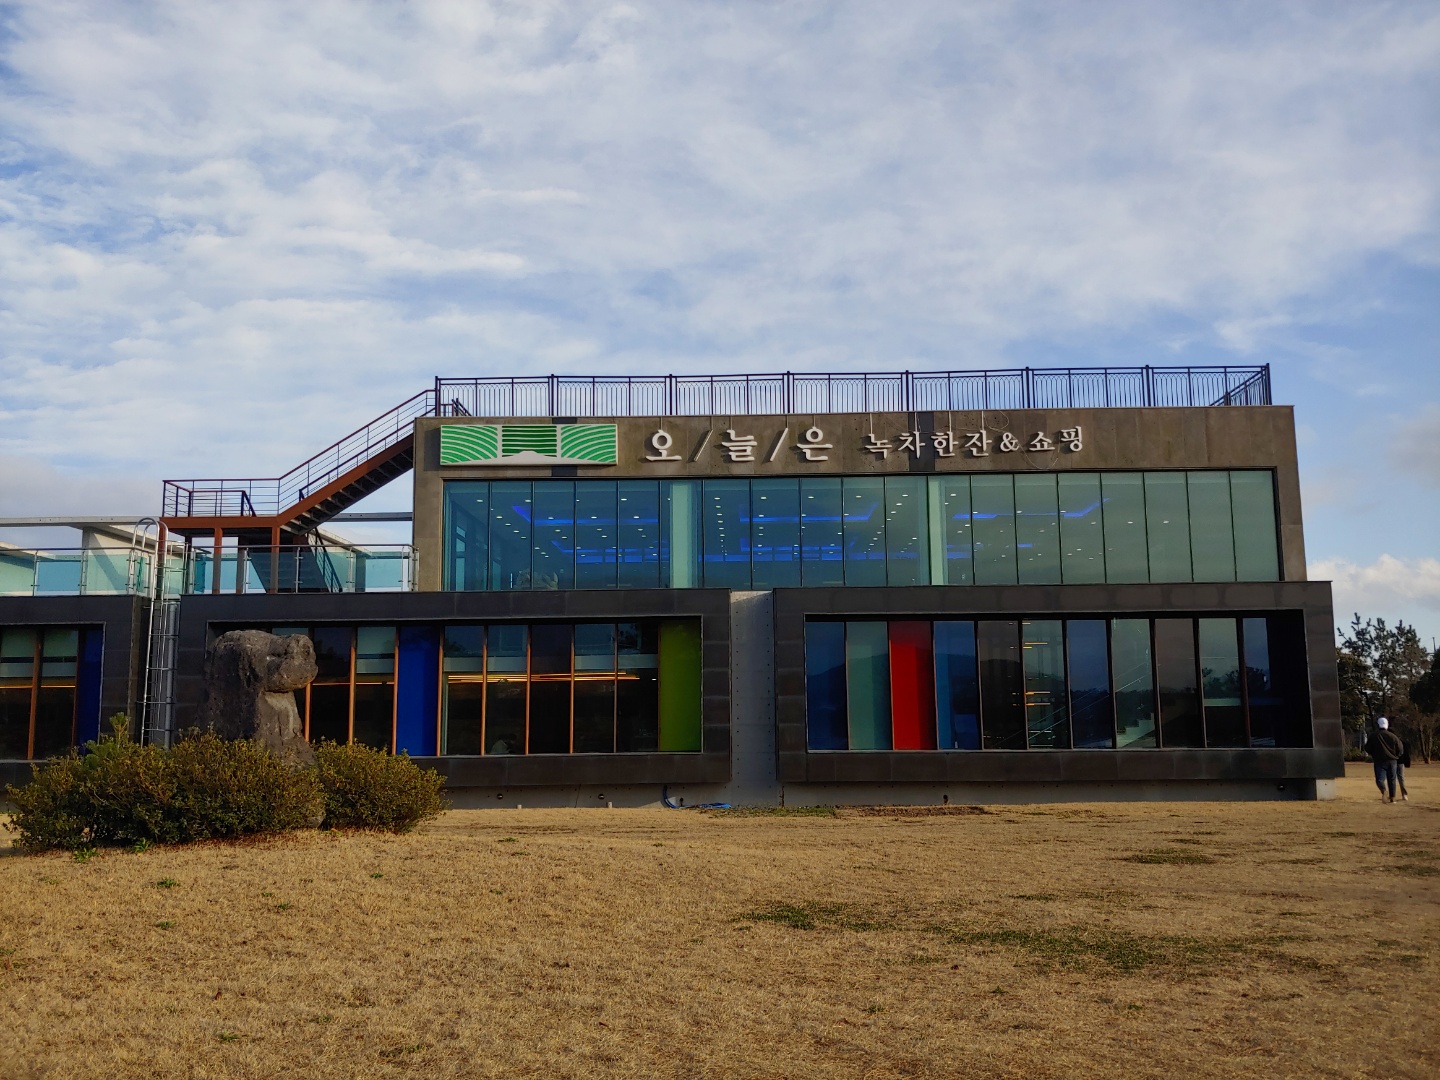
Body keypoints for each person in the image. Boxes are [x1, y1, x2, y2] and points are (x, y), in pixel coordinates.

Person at [1369, 717, 1406, 803]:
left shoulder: (1374, 736)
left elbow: (1367, 747)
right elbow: (1400, 749)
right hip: (1392, 761)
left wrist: (1374, 754)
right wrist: (1396, 756)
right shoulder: (1393, 736)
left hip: (1379, 761)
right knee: (1392, 779)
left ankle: (1384, 790)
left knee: (1379, 779)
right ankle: (1393, 798)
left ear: (1378, 725)